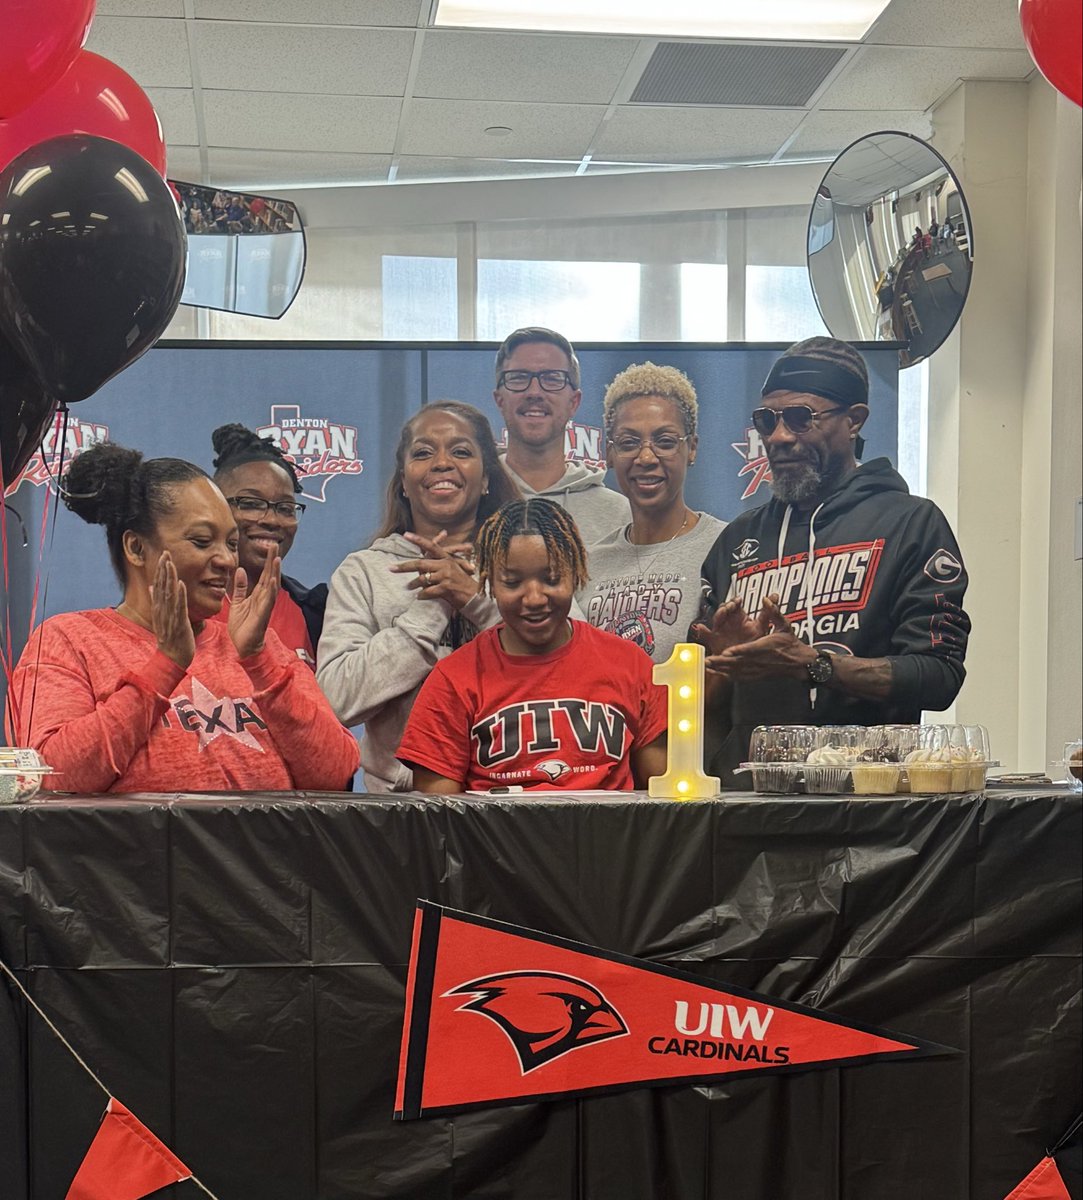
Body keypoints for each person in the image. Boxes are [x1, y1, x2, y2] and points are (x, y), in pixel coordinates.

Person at [694, 336, 971, 785]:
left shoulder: (910, 524)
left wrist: (813, 664)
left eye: (801, 418)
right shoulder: (737, 540)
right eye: (767, 420)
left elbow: (938, 676)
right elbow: (701, 706)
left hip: (867, 810)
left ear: (854, 420)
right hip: (748, 805)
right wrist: (725, 662)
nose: (779, 437)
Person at [8, 444, 359, 794]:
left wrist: (259, 660)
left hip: (271, 851)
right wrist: (165, 666)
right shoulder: (69, 640)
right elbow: (53, 778)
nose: (225, 559)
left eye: (232, 543)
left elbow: (335, 776)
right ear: (136, 548)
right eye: (202, 541)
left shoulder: (261, 649)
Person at [397, 498, 668, 793]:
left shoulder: (630, 664)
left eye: (551, 579)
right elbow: (439, 818)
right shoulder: (453, 679)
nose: (535, 598)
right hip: (493, 839)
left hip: (608, 838)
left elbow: (660, 798)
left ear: (576, 573)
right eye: (512, 583)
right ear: (489, 584)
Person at [317, 402, 519, 792]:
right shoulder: (364, 571)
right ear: (405, 482)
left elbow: (575, 660)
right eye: (423, 453)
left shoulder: (527, 557)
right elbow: (336, 699)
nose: (442, 463)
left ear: (486, 478)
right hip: (401, 814)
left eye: (461, 451)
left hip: (512, 799)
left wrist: (476, 600)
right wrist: (432, 606)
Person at [576, 362, 725, 663]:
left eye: (665, 442)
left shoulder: (724, 545)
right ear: (609, 454)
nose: (646, 457)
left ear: (692, 448)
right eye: (629, 443)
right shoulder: (588, 564)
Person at [493, 326, 629, 547]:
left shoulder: (618, 515)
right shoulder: (473, 499)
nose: (534, 392)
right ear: (499, 400)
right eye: (518, 378)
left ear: (573, 402)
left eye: (552, 379)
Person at [211, 422, 322, 667]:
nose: (272, 520)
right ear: (215, 507)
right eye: (251, 503)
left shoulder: (318, 612)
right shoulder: (179, 607)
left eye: (285, 508)